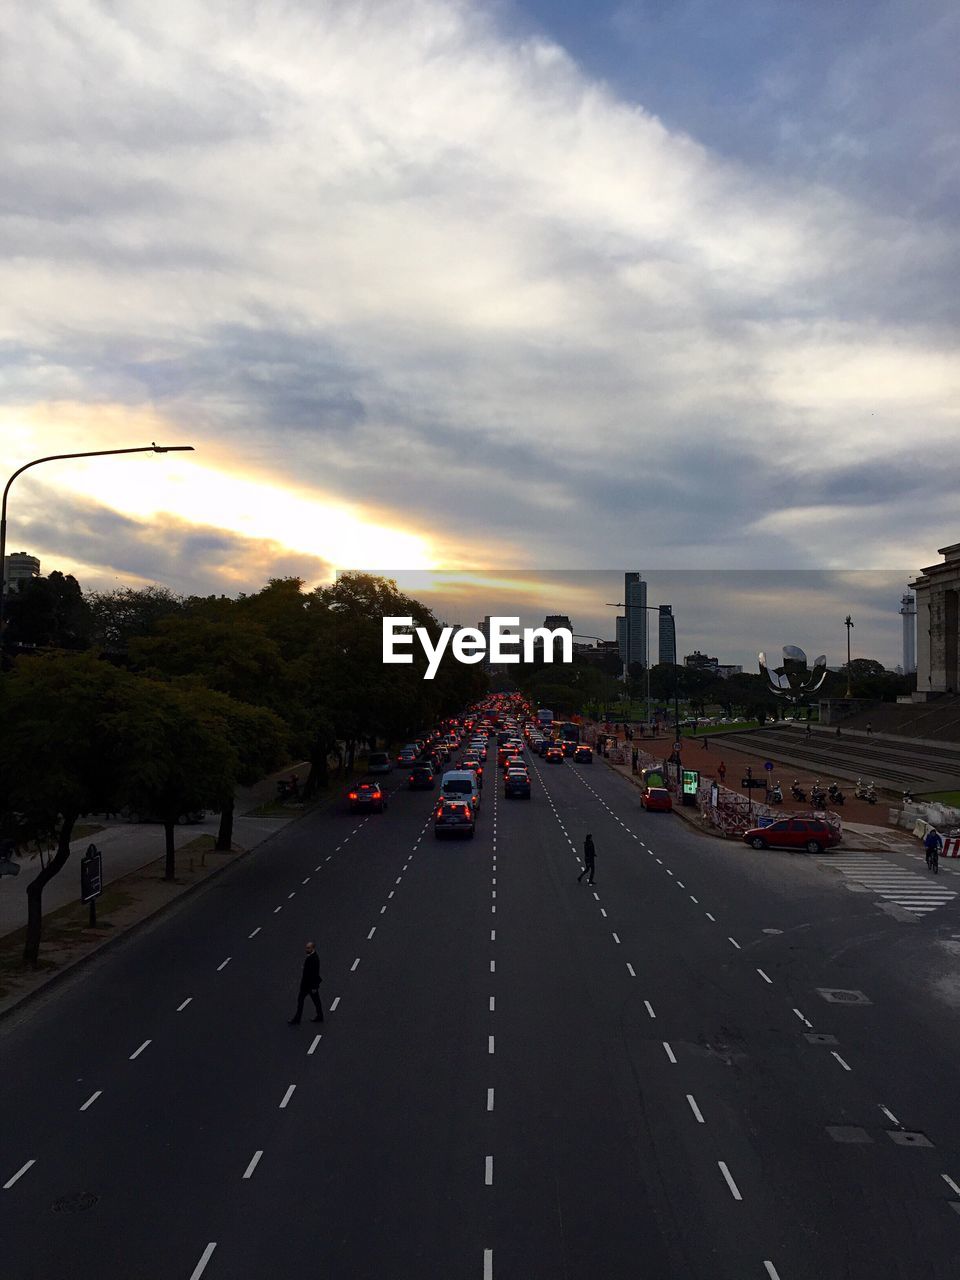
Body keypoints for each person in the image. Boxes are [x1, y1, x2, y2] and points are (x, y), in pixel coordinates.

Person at [288, 941, 323, 1024]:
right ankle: (319, 1016)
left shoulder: (313, 959)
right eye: (306, 947)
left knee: (306, 1001)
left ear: (313, 948)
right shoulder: (312, 957)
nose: (306, 949)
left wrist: (314, 987)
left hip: (309, 986)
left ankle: (297, 1019)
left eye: (308, 948)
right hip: (308, 985)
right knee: (314, 1001)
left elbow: (315, 973)